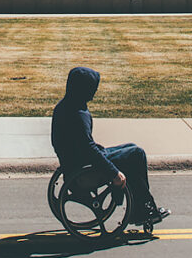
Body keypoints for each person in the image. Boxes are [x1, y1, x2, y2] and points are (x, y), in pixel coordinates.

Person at [50, 66, 169, 230]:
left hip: (77, 163)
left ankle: (141, 206)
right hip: (84, 171)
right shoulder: (77, 113)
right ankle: (142, 208)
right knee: (136, 154)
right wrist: (114, 173)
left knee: (132, 148)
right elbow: (88, 149)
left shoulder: (66, 105)